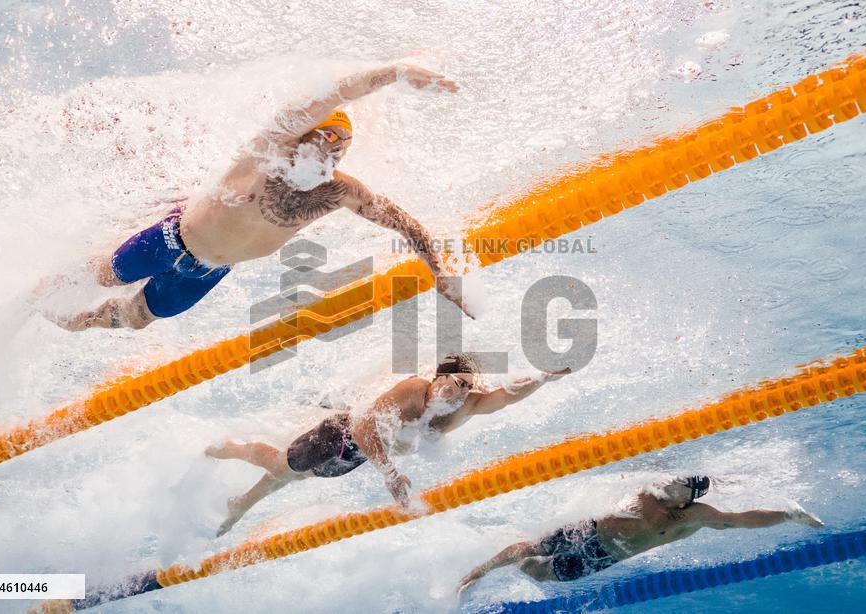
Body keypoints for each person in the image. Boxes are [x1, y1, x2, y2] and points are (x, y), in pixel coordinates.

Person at [52, 62, 471, 330]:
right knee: (103, 275)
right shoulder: (270, 149)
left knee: (134, 319)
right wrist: (394, 73)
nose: (334, 146)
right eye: (328, 134)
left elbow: (406, 225)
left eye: (343, 143)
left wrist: (440, 272)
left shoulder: (340, 191)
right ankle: (38, 292)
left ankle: (73, 321)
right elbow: (336, 93)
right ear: (302, 136)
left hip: (211, 272)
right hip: (171, 242)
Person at [205, 354, 571, 536]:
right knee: (283, 467)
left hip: (362, 455)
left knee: (295, 477)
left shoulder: (466, 404)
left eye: (464, 386)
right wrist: (392, 474)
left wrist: (542, 377)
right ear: (437, 376)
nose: (455, 390)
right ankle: (231, 448)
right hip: (344, 435)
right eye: (452, 380)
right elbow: (366, 428)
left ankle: (240, 503)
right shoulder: (412, 392)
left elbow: (506, 396)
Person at [457, 476, 824, 592]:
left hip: (605, 557)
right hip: (590, 531)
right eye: (675, 481)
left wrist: (787, 514)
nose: (673, 486)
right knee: (534, 547)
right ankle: (480, 569)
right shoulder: (651, 491)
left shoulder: (694, 516)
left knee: (541, 571)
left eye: (682, 487)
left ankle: (510, 563)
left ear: (690, 498)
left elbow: (739, 520)